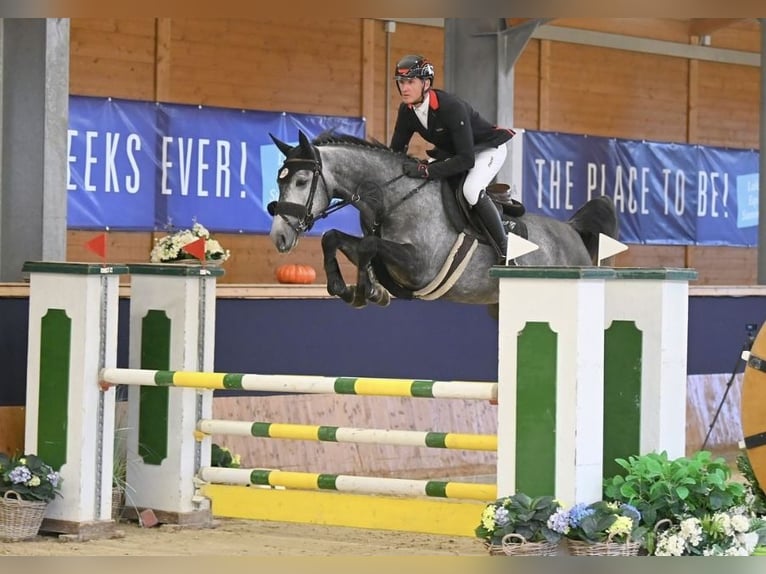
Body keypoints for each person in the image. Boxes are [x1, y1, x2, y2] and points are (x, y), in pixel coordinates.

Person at [389, 54, 515, 262]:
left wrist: (427, 170)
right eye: (401, 82)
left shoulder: (450, 107)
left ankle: (505, 249)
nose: (404, 88)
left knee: (471, 190)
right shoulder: (407, 111)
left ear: (426, 83)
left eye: (410, 82)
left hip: (487, 149)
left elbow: (467, 160)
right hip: (457, 153)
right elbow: (395, 153)